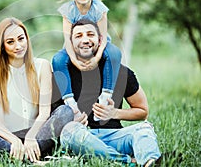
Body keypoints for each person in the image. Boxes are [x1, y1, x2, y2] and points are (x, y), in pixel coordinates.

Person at [52, 19, 161, 166]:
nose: (85, 40)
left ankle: (150, 161)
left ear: (100, 40)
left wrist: (114, 113)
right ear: (70, 43)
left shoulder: (121, 73)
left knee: (144, 129)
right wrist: (69, 120)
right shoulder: (61, 75)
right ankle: (127, 162)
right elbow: (49, 115)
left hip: (113, 135)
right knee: (69, 132)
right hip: (81, 138)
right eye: (78, 36)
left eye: (90, 34)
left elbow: (142, 111)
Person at [0, 17, 73, 163]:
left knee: (65, 112)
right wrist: (15, 141)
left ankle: (22, 156)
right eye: (10, 42)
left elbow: (44, 112)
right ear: (2, 46)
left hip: (36, 135)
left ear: (27, 39)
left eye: (21, 39)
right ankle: (29, 156)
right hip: (7, 139)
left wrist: (30, 137)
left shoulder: (42, 66)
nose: (18, 46)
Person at [52, 0, 122, 121]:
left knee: (115, 53)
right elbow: (68, 38)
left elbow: (103, 37)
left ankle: (104, 98)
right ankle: (70, 102)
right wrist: (75, 61)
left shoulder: (99, 9)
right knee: (57, 59)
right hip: (73, 46)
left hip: (98, 45)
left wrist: (96, 58)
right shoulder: (68, 10)